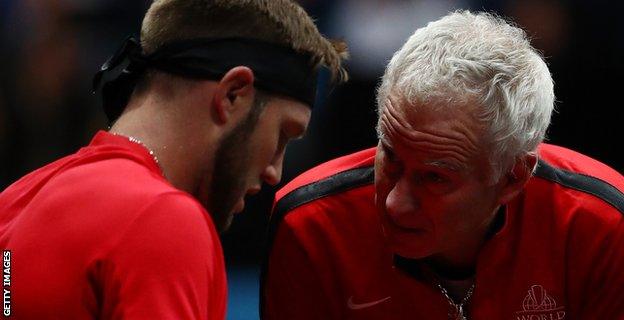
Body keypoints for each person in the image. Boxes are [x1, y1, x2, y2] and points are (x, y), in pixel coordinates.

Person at [262, 10, 624, 320]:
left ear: (512, 176)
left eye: (434, 177)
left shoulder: (604, 225)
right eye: (390, 155)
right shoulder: (311, 226)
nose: (393, 203)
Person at [0, 0, 347, 318]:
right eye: (282, 134)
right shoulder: (162, 219)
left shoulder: (16, 199)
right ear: (232, 94)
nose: (275, 171)